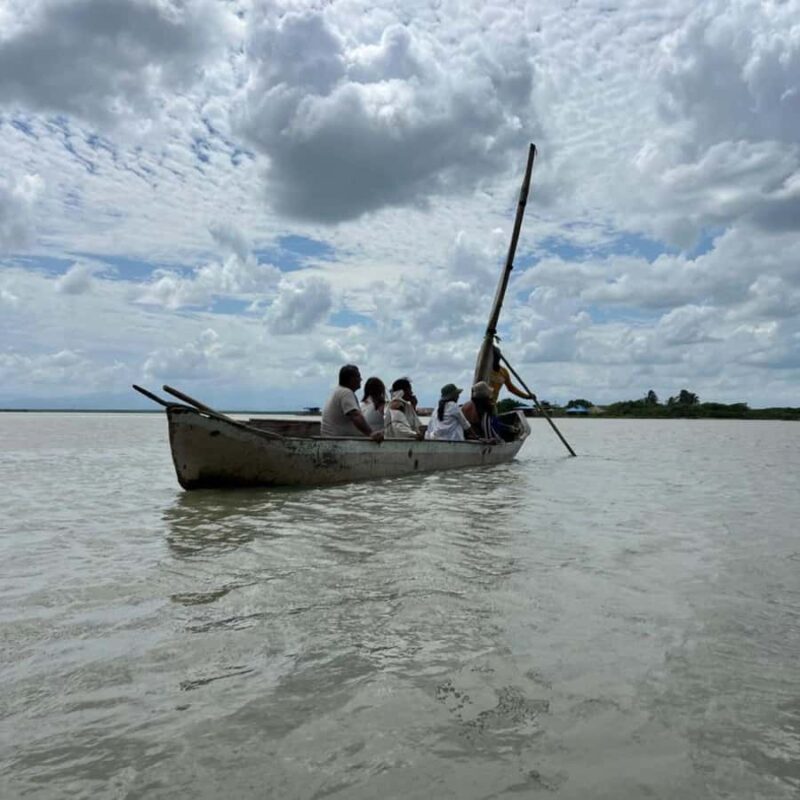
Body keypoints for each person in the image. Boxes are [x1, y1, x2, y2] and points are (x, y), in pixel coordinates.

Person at [321, 365, 383, 441]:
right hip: (337, 441)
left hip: (332, 439)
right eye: (358, 376)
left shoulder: (338, 391)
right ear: (351, 379)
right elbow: (355, 415)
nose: (361, 379)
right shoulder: (346, 392)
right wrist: (371, 433)